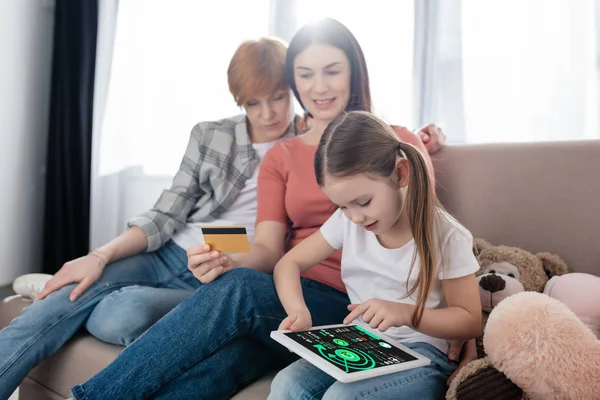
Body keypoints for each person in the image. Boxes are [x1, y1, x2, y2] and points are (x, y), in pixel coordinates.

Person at [66, 19, 452, 400]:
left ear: (354, 71)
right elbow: (268, 249)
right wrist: (227, 263)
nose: (319, 87)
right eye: (305, 74)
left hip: (356, 305)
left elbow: (426, 233)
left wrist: (456, 326)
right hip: (289, 299)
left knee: (238, 291)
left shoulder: (397, 141)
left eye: (332, 71)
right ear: (293, 82)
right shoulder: (281, 155)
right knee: (218, 366)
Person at [0, 37, 305, 400]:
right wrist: (99, 256)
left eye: (278, 97)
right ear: (239, 101)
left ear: (293, 91)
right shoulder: (212, 134)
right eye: (254, 103)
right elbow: (166, 211)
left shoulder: (307, 143)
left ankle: (100, 296)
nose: (268, 114)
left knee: (119, 316)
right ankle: (76, 290)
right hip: (170, 251)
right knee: (56, 304)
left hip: (219, 274)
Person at [269, 110, 482, 400]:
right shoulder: (348, 222)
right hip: (362, 343)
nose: (355, 217)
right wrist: (298, 311)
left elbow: (469, 320)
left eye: (363, 202)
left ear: (401, 173)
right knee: (287, 384)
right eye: (342, 206)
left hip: (424, 352)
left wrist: (405, 314)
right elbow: (288, 264)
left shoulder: (446, 235)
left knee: (342, 398)